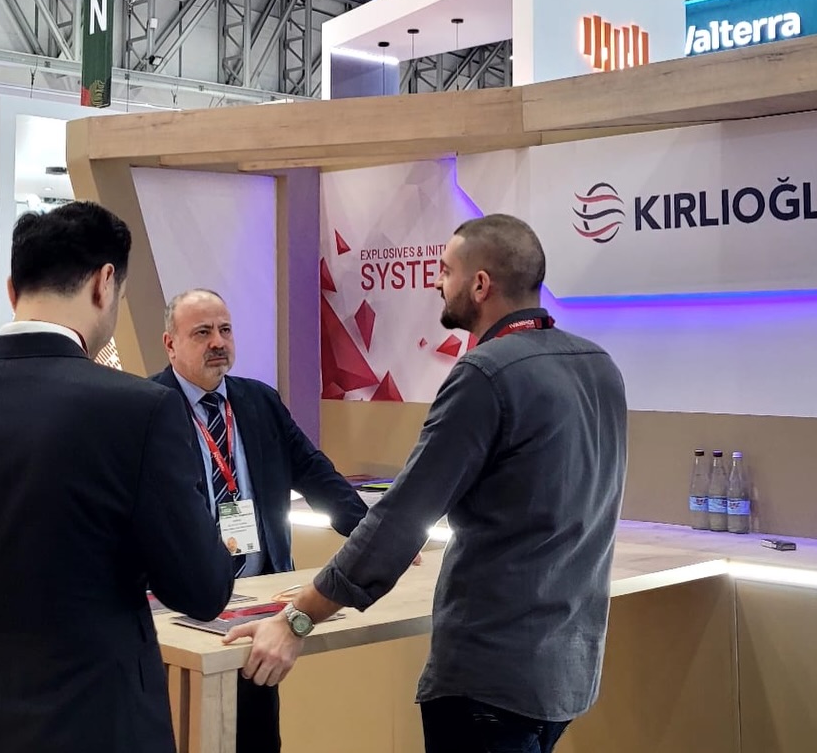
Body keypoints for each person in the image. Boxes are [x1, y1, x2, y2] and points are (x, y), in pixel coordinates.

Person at [226, 213, 628, 753]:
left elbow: (401, 519)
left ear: (479, 284)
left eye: (444, 271)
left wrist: (297, 618)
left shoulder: (485, 374)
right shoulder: (599, 366)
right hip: (567, 669)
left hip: (490, 677)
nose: (437, 282)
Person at [0, 201, 235, 753]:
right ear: (105, 283)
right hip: (99, 726)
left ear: (13, 291)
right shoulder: (141, 412)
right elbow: (201, 590)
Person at [152, 288, 369, 753]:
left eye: (225, 330)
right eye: (202, 332)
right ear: (170, 344)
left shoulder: (259, 401)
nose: (218, 342)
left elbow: (313, 472)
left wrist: (373, 536)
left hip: (258, 606)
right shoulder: (147, 407)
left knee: (256, 737)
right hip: (177, 609)